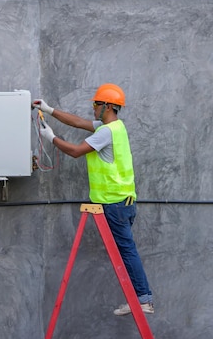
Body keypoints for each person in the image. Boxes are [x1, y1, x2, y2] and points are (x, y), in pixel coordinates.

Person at [32, 83, 154, 316]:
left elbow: (77, 151)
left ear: (107, 106)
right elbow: (78, 122)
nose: (93, 108)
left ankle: (143, 299)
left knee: (127, 252)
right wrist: (49, 110)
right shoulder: (114, 127)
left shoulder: (106, 132)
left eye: (96, 104)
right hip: (123, 201)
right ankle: (141, 298)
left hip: (114, 203)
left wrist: (52, 138)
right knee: (126, 251)